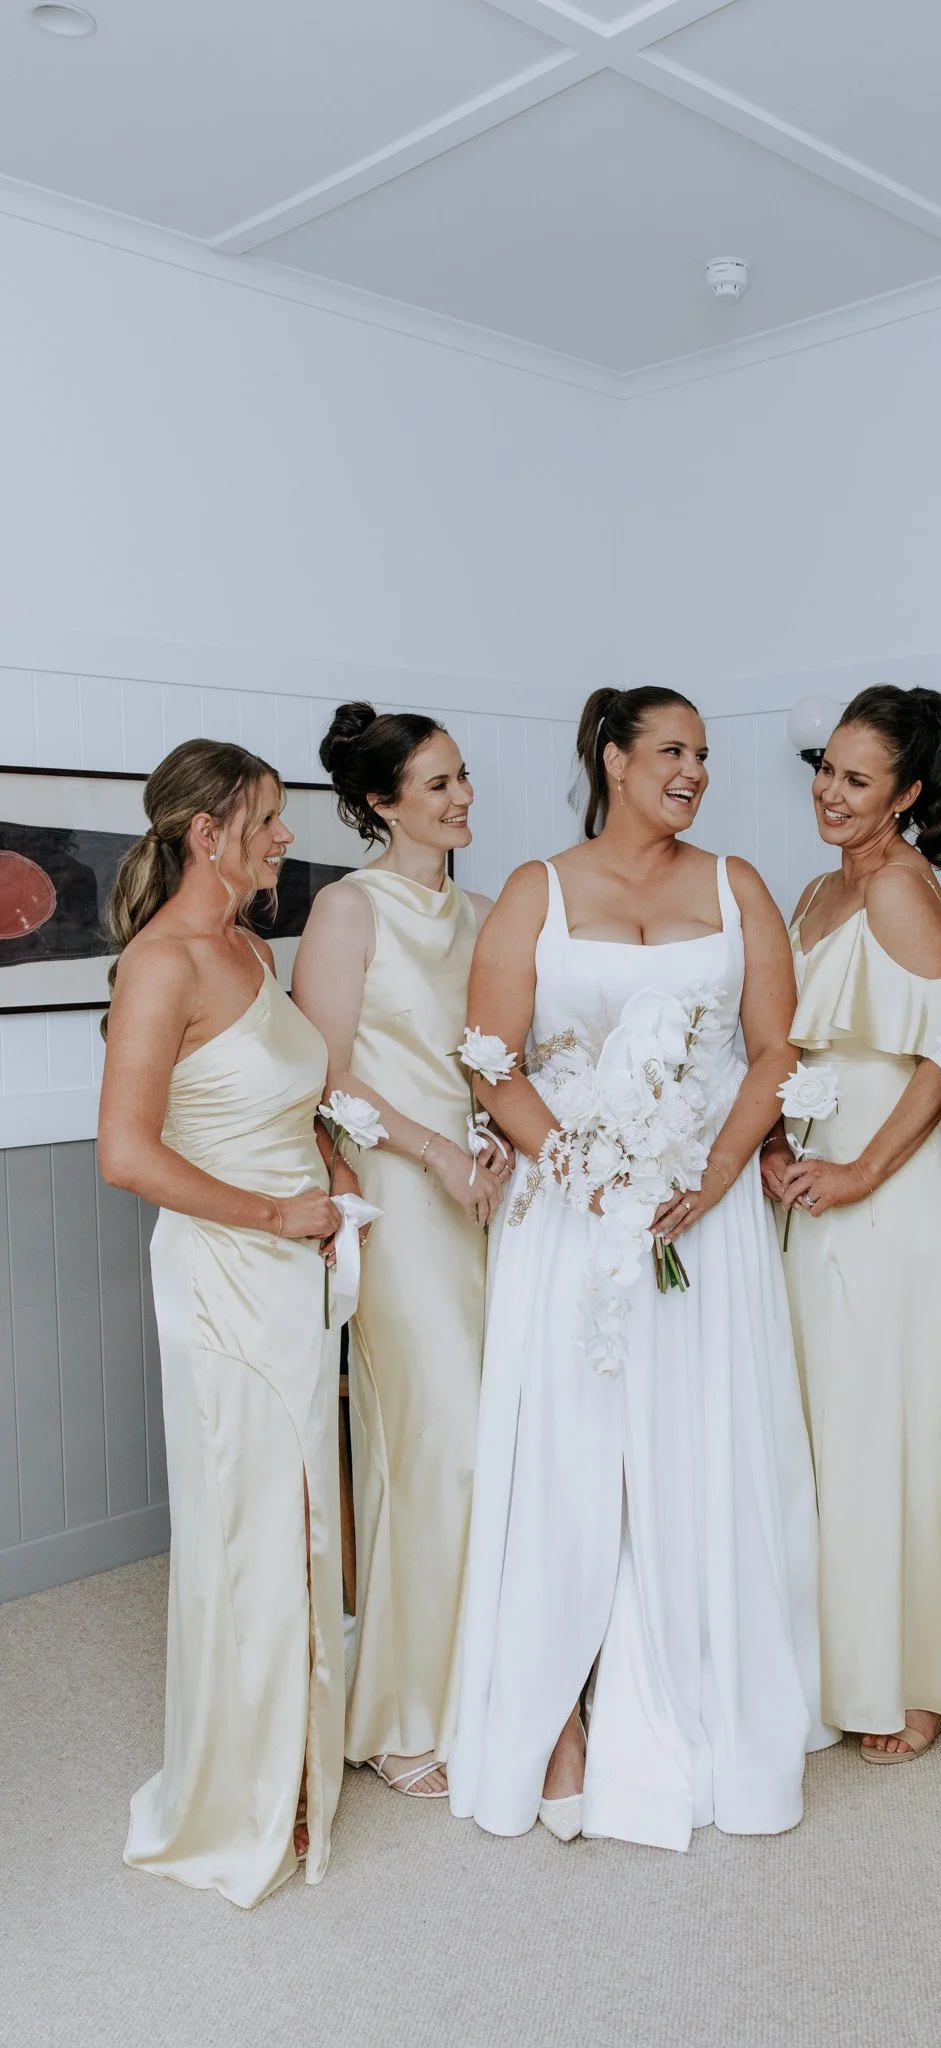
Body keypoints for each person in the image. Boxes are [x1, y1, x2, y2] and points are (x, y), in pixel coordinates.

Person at [449, 685, 835, 1850]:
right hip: (573, 1213)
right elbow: (490, 1058)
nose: (694, 771)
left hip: (698, 1216)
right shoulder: (536, 889)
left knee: (696, 1440)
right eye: (672, 749)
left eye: (704, 754)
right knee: (572, 1450)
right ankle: (560, 1705)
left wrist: (714, 1172)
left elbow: (775, 1048)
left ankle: (699, 1687)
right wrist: (575, 1165)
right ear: (613, 759)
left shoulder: (736, 885)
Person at [98, 739, 345, 1908]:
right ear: (208, 832)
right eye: (269, 818)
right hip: (223, 1273)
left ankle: (293, 1757)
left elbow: (287, 1099)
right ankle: (238, 1788)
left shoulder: (254, 946)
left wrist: (331, 1174)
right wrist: (279, 1212)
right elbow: (125, 1152)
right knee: (246, 1525)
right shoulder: (163, 963)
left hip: (295, 1273)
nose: (286, 836)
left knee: (300, 1516)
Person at [764, 686, 941, 1763]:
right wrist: (775, 1145)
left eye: (858, 780)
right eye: (826, 769)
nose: (830, 792)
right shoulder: (818, 887)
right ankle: (834, 1653)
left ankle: (919, 1672)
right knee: (825, 1417)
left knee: (886, 1413)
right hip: (812, 1180)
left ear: (905, 795)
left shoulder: (902, 888)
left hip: (885, 1187)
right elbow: (785, 1044)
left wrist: (860, 1169)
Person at [292, 704, 505, 1801]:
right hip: (399, 1199)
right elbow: (324, 1076)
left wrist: (494, 1138)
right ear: (380, 802)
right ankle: (401, 1710)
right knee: (436, 1441)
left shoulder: (483, 911)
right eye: (437, 784)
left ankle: (489, 1685)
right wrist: (435, 1153)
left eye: (463, 776)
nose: (462, 797)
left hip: (488, 1196)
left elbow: (495, 1060)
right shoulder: (347, 909)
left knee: (496, 1441)